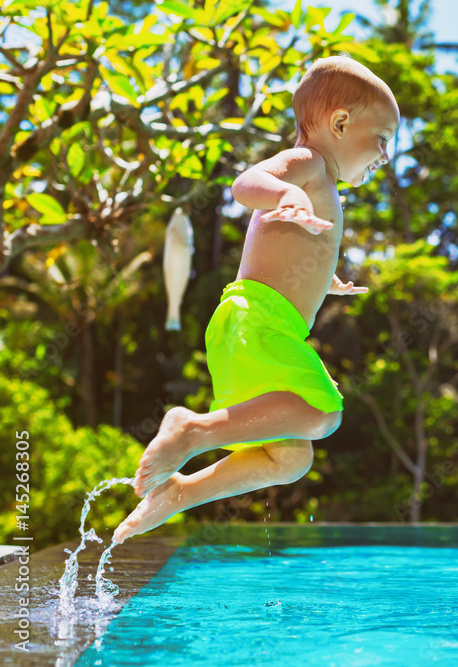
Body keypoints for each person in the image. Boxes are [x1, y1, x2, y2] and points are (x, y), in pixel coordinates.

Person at [113, 56, 400, 543]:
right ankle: (192, 431)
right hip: (257, 320)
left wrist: (324, 279)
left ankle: (179, 493)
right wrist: (284, 197)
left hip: (258, 324)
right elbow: (245, 184)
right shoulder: (308, 164)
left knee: (289, 458)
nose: (386, 155)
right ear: (340, 122)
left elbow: (289, 256)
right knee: (324, 412)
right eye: (384, 139)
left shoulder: (324, 184)